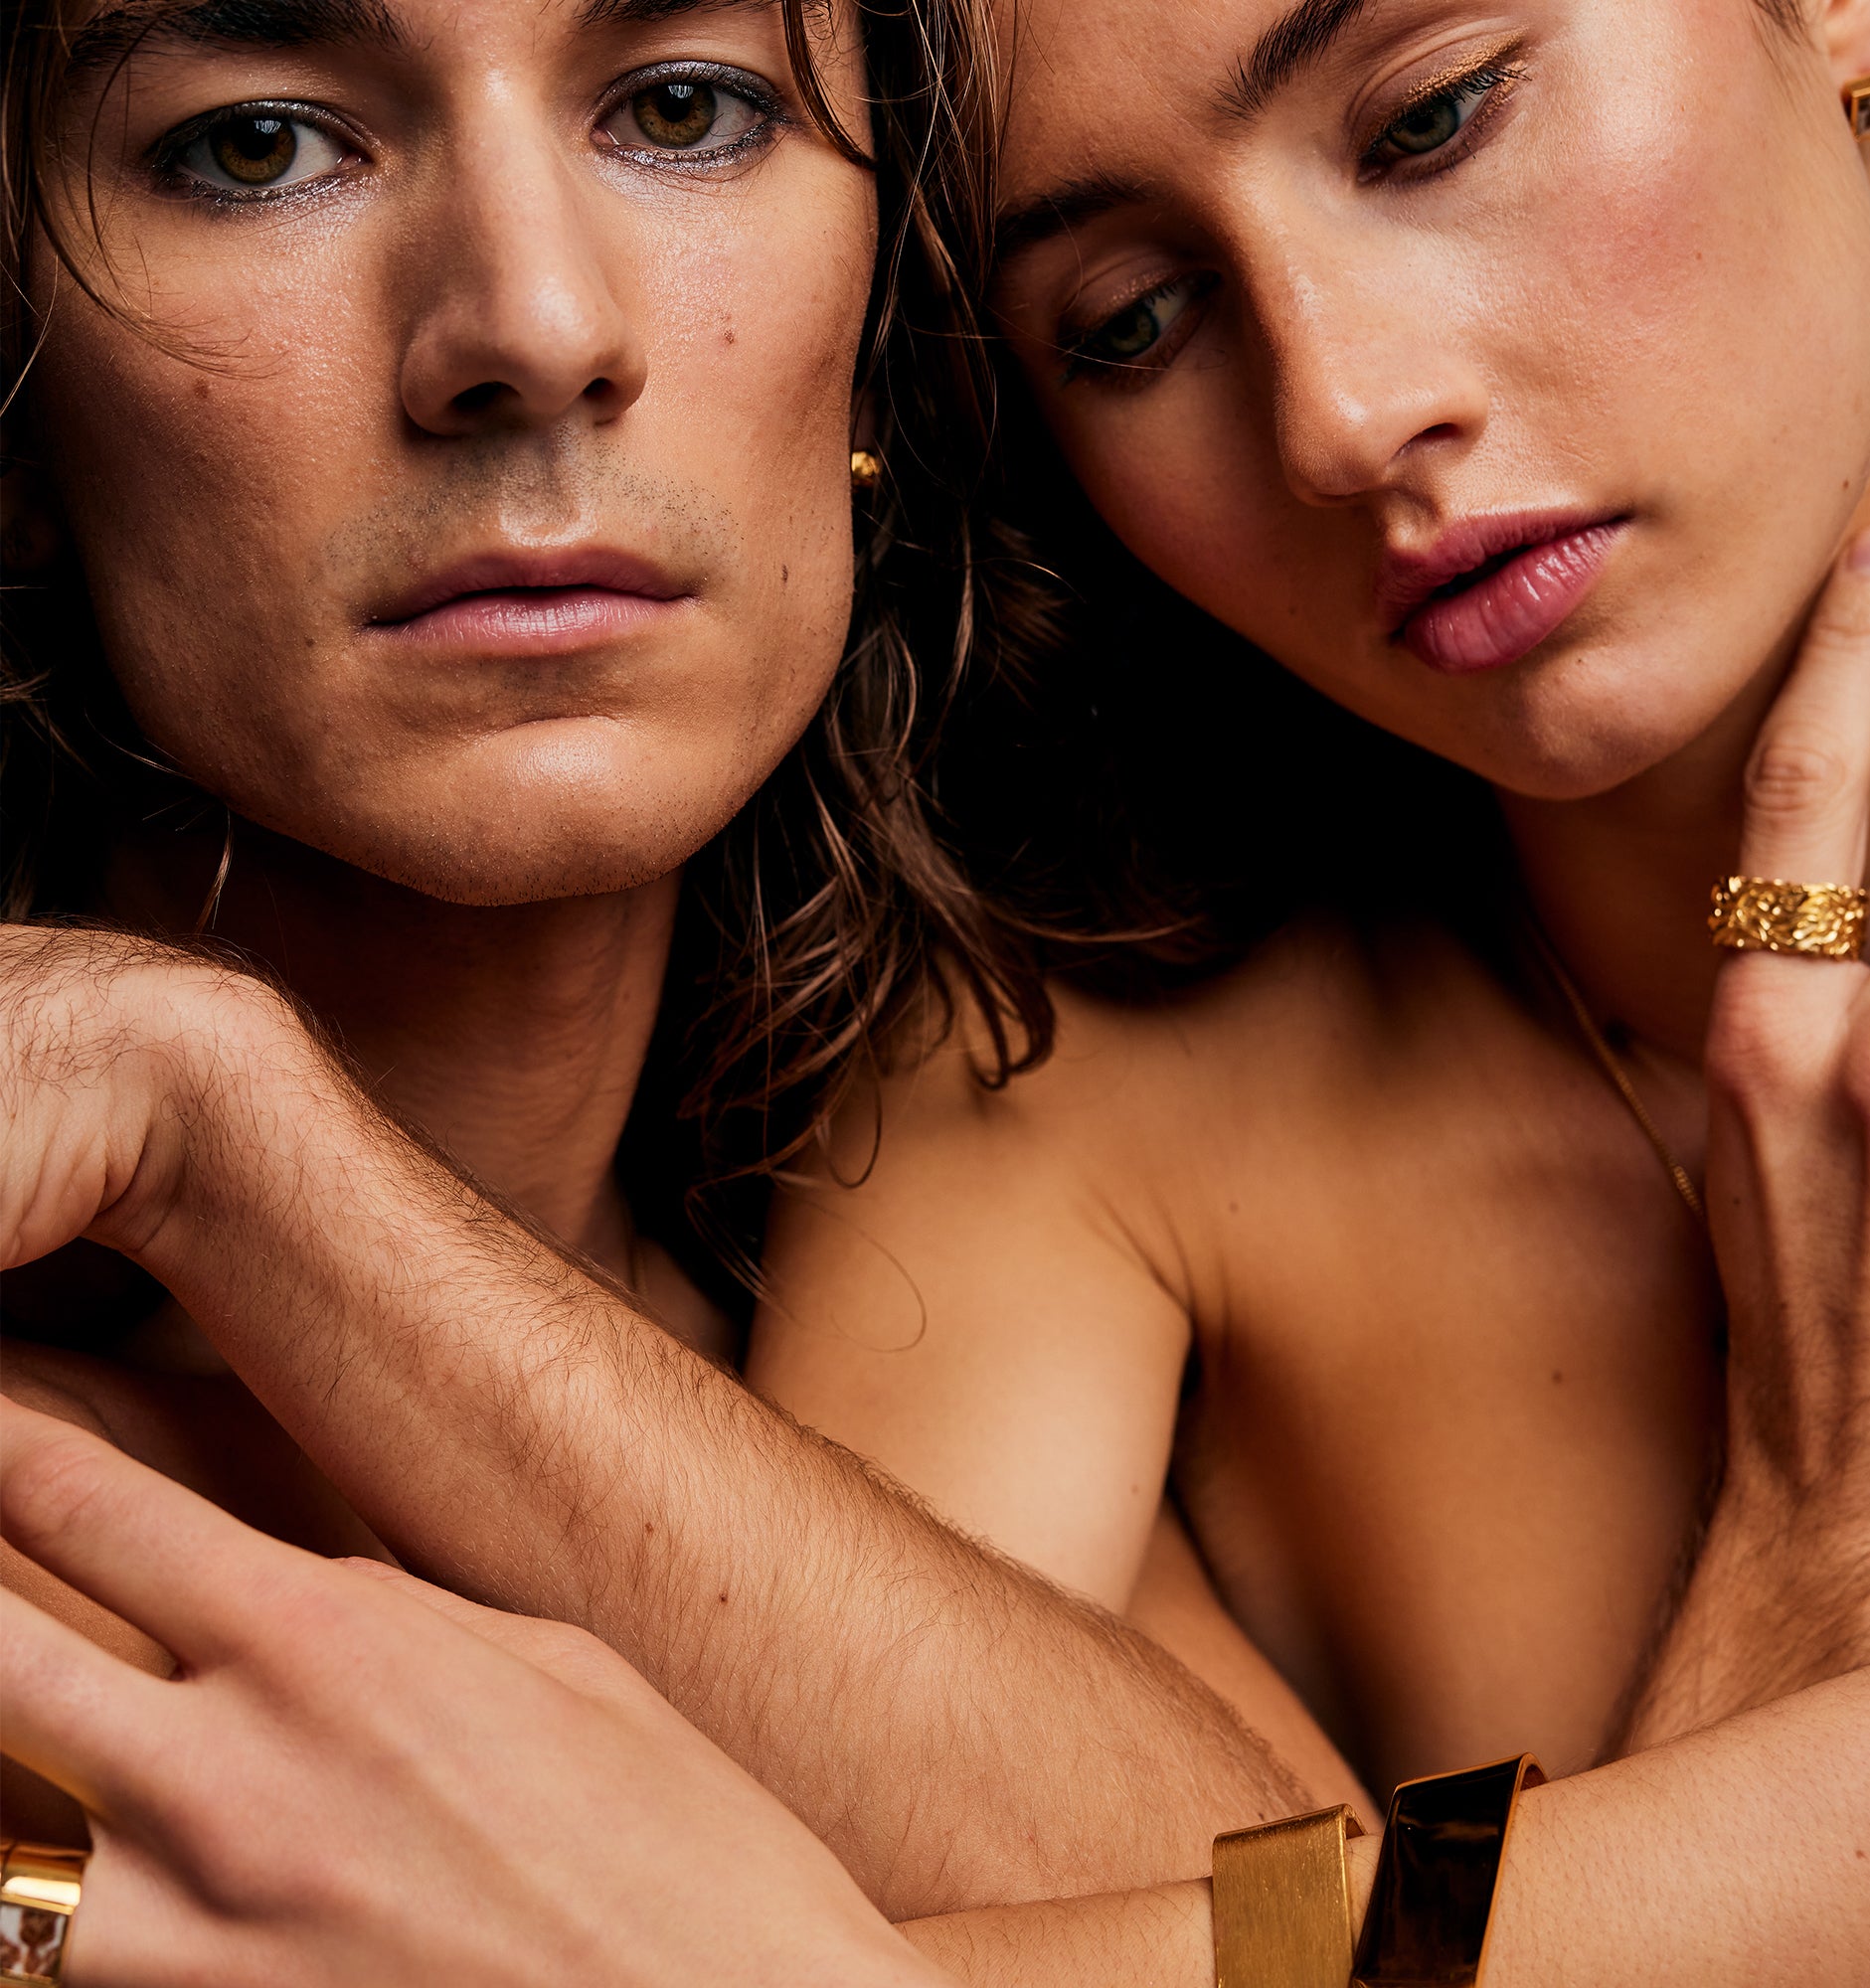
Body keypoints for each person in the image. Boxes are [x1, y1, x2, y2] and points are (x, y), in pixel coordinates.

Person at [0, 0, 1870, 1975]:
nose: (1340, 413)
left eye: (685, 107)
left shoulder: (940, 1167)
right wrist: (1825, 1592)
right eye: (250, 146)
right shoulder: (1052, 1102)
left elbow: (1261, 1939)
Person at [0, 0, 1302, 1913]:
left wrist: (241, 1138)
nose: (533, 327)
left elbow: (1330, 1937)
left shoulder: (919, 1277)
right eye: (256, 145)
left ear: (882, 343)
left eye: (684, 110)